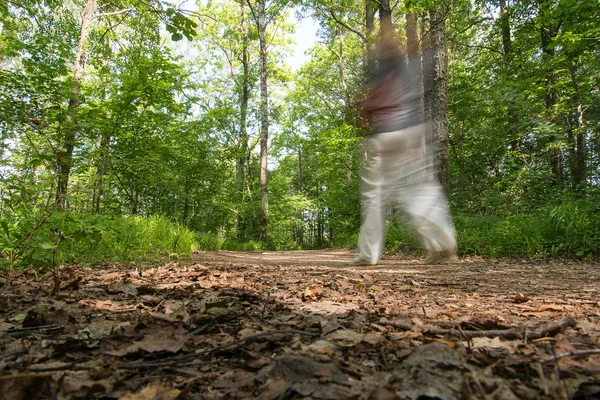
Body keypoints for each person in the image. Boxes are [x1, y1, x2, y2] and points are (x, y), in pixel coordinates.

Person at [354, 35, 457, 266]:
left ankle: (369, 254)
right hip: (410, 134)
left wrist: (368, 115)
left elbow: (369, 107)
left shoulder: (379, 74)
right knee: (419, 188)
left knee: (374, 196)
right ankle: (441, 244)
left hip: (385, 137)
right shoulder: (408, 69)